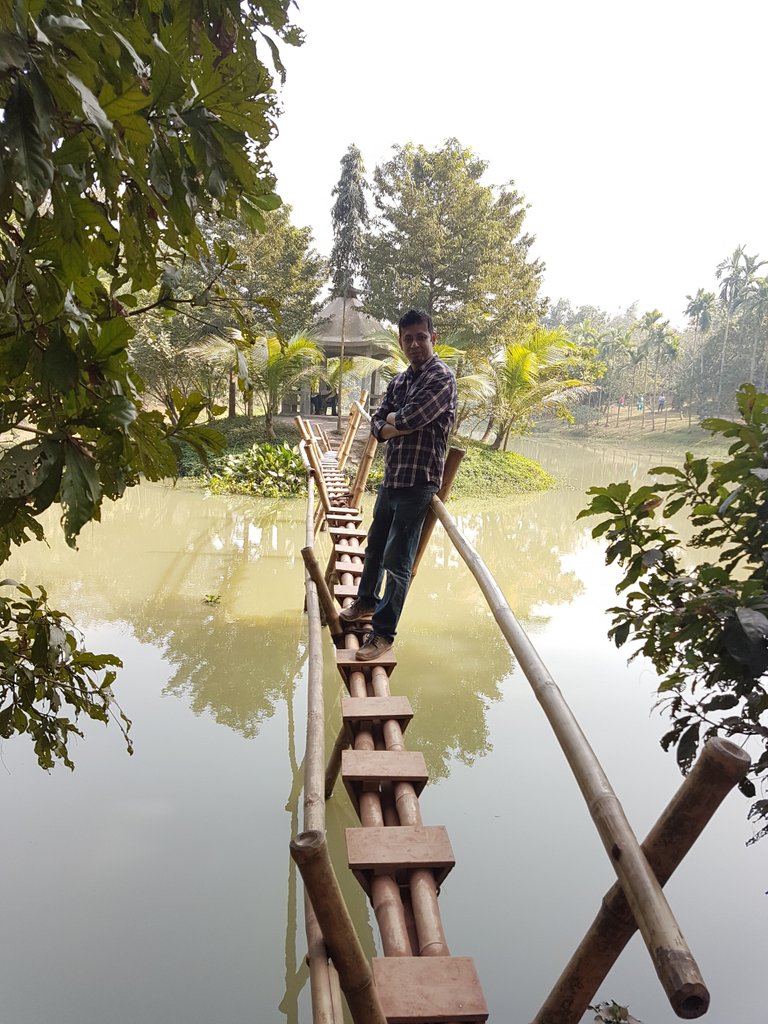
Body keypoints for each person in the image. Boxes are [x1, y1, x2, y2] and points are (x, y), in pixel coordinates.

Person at [339, 309, 457, 661]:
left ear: (433, 338)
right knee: (374, 547)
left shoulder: (442, 378)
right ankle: (365, 602)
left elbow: (411, 418)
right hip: (393, 479)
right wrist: (393, 423)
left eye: (421, 336)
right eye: (408, 339)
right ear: (401, 342)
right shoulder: (402, 380)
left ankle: (384, 633)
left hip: (419, 482)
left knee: (397, 559)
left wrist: (393, 422)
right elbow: (379, 424)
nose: (415, 344)